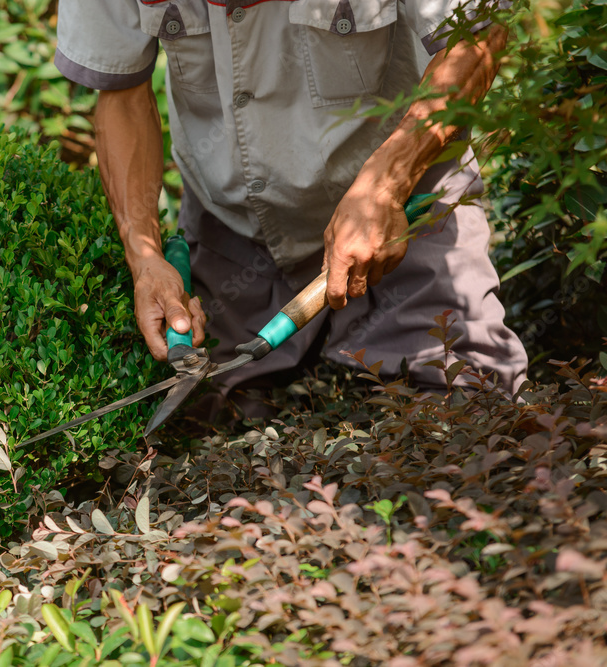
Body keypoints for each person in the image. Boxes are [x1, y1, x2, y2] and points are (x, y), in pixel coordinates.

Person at [54, 0, 527, 418]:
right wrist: (146, 259)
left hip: (403, 206)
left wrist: (386, 185)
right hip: (232, 224)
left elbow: (479, 35)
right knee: (213, 417)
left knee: (466, 407)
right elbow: (120, 92)